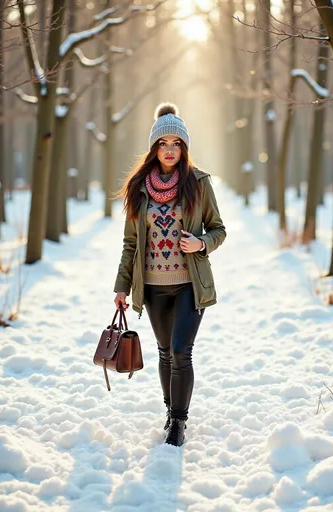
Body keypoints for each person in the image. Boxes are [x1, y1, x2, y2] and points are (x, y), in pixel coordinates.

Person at [113, 102, 226, 447]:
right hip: (152, 287)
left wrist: (201, 243)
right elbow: (131, 243)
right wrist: (121, 286)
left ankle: (178, 422)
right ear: (154, 147)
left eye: (176, 143)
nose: (170, 150)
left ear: (185, 147)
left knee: (181, 351)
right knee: (164, 351)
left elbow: (218, 230)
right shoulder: (138, 188)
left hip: (190, 284)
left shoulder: (199, 183)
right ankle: (169, 409)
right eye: (164, 143)